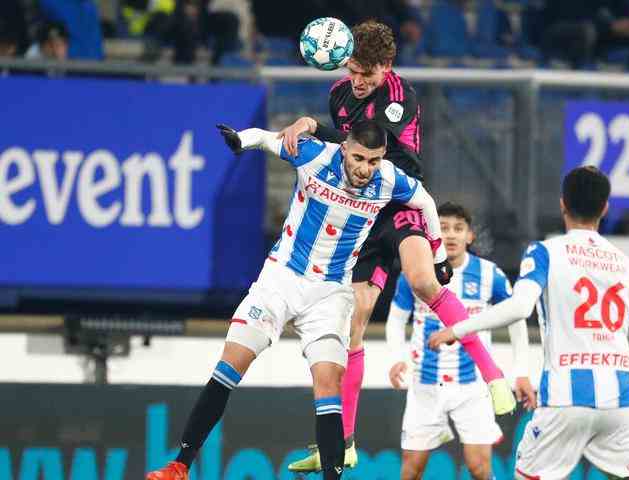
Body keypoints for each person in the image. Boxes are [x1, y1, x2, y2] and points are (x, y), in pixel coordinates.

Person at [144, 119, 446, 480]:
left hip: (331, 293)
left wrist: (439, 255)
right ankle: (180, 466)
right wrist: (241, 140)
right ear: (345, 148)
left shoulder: (390, 179)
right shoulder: (316, 155)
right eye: (360, 158)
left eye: (374, 161)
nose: (365, 169)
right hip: (281, 277)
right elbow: (267, 140)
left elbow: (425, 201)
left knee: (329, 382)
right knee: (230, 365)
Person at [282, 19, 515, 473]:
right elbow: (348, 156)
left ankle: (493, 377)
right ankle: (345, 442)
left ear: (386, 67)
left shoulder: (398, 97)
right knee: (352, 323)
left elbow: (371, 150)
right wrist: (315, 129)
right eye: (353, 71)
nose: (359, 81)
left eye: (367, 73)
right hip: (365, 212)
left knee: (424, 282)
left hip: (402, 201)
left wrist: (311, 126)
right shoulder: (339, 95)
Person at [430, 166, 629, 480]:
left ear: (562, 203)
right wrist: (606, 364)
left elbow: (519, 307)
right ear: (605, 208)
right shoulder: (625, 264)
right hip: (620, 403)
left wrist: (456, 329)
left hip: (563, 399)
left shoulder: (546, 253)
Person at [388, 202, 536, 480]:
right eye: (442, 228)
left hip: (472, 388)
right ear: (432, 233)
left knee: (479, 468)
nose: (451, 235)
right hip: (425, 386)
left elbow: (517, 317)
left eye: (458, 228)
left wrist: (521, 370)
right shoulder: (416, 272)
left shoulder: (490, 274)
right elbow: (396, 320)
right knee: (411, 469)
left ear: (470, 236)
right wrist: (397, 357)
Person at [537, 0, 629, 69]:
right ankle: (579, 79)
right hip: (557, 32)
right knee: (586, 30)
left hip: (598, 31)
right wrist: (611, 26)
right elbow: (570, 14)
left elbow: (623, 8)